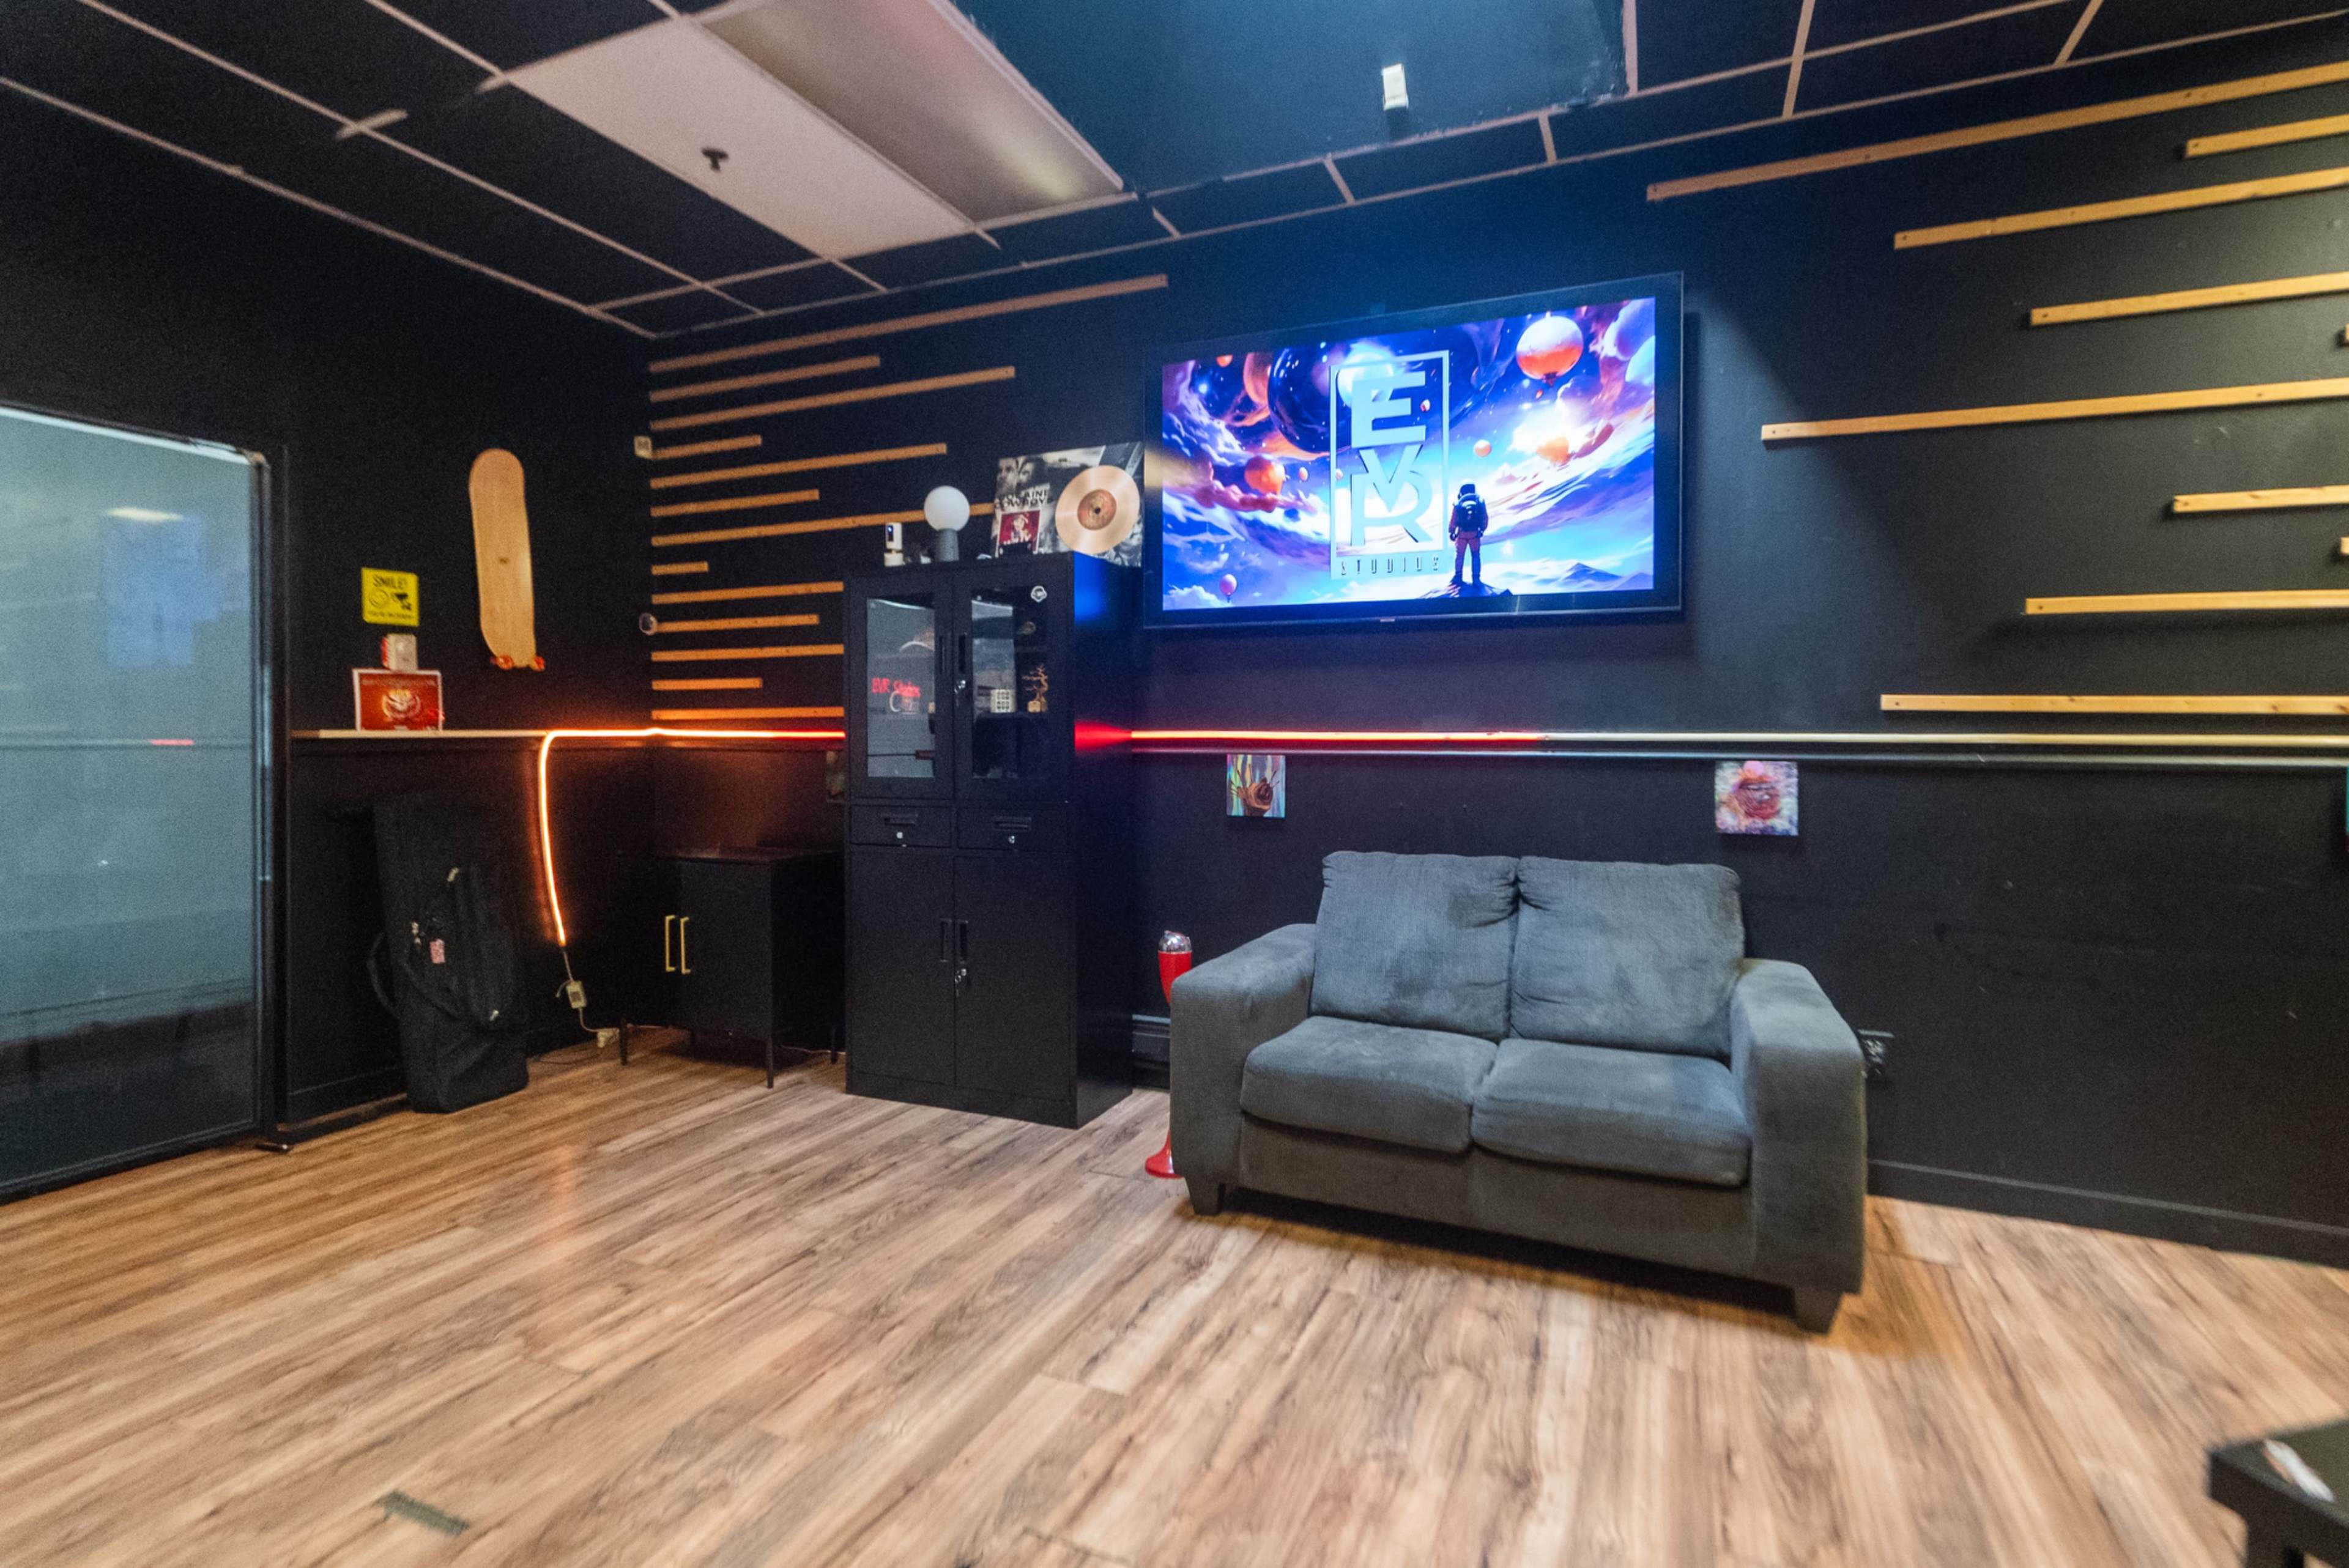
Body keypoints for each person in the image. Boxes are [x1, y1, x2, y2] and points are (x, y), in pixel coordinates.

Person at [1448, 482, 1489, 588]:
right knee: (1475, 555)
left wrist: (1452, 532)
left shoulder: (1459, 502)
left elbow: (1454, 519)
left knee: (1460, 556)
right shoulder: (1479, 501)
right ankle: (1476, 578)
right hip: (1474, 534)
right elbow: (1484, 518)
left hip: (1461, 534)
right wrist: (1482, 530)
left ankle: (1458, 576)